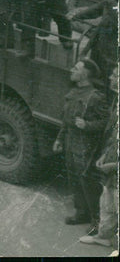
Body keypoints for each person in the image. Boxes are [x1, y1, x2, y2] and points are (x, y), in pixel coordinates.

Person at [53, 58, 108, 236]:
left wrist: (87, 125)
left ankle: (97, 221)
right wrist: (60, 139)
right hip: (71, 140)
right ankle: (81, 213)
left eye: (76, 69)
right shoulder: (74, 92)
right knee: (74, 178)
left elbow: (107, 123)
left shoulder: (95, 97)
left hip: (86, 145)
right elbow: (67, 119)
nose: (72, 70)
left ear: (84, 75)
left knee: (87, 181)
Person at [80, 64, 118, 248]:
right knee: (107, 202)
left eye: (115, 75)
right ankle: (104, 236)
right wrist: (105, 156)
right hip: (112, 166)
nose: (111, 78)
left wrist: (114, 165)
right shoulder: (116, 100)